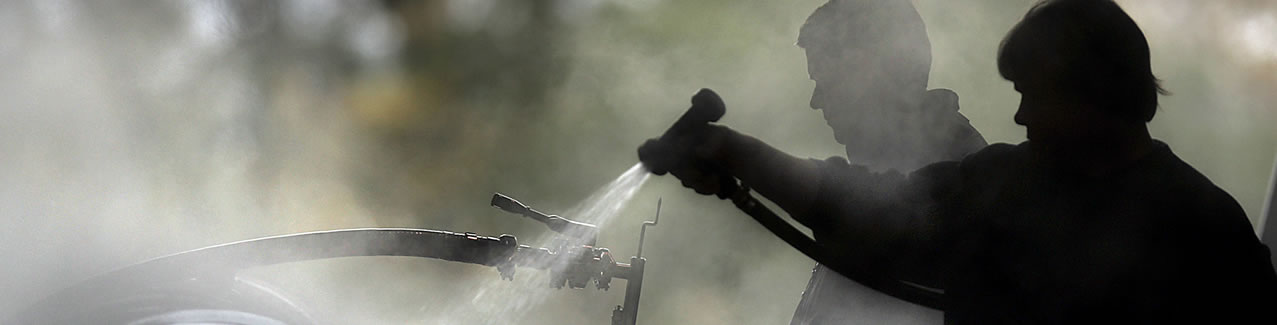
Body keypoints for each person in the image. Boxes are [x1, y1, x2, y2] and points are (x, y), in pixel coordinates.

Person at [638, 0, 1277, 323]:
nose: (1021, 117)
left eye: (1034, 95)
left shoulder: (1203, 230)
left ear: (1093, 94)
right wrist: (733, 151)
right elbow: (867, 212)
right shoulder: (1004, 182)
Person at [789, 0, 985, 324]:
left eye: (825, 80)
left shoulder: (950, 174)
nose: (816, 100)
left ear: (872, 71)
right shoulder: (900, 161)